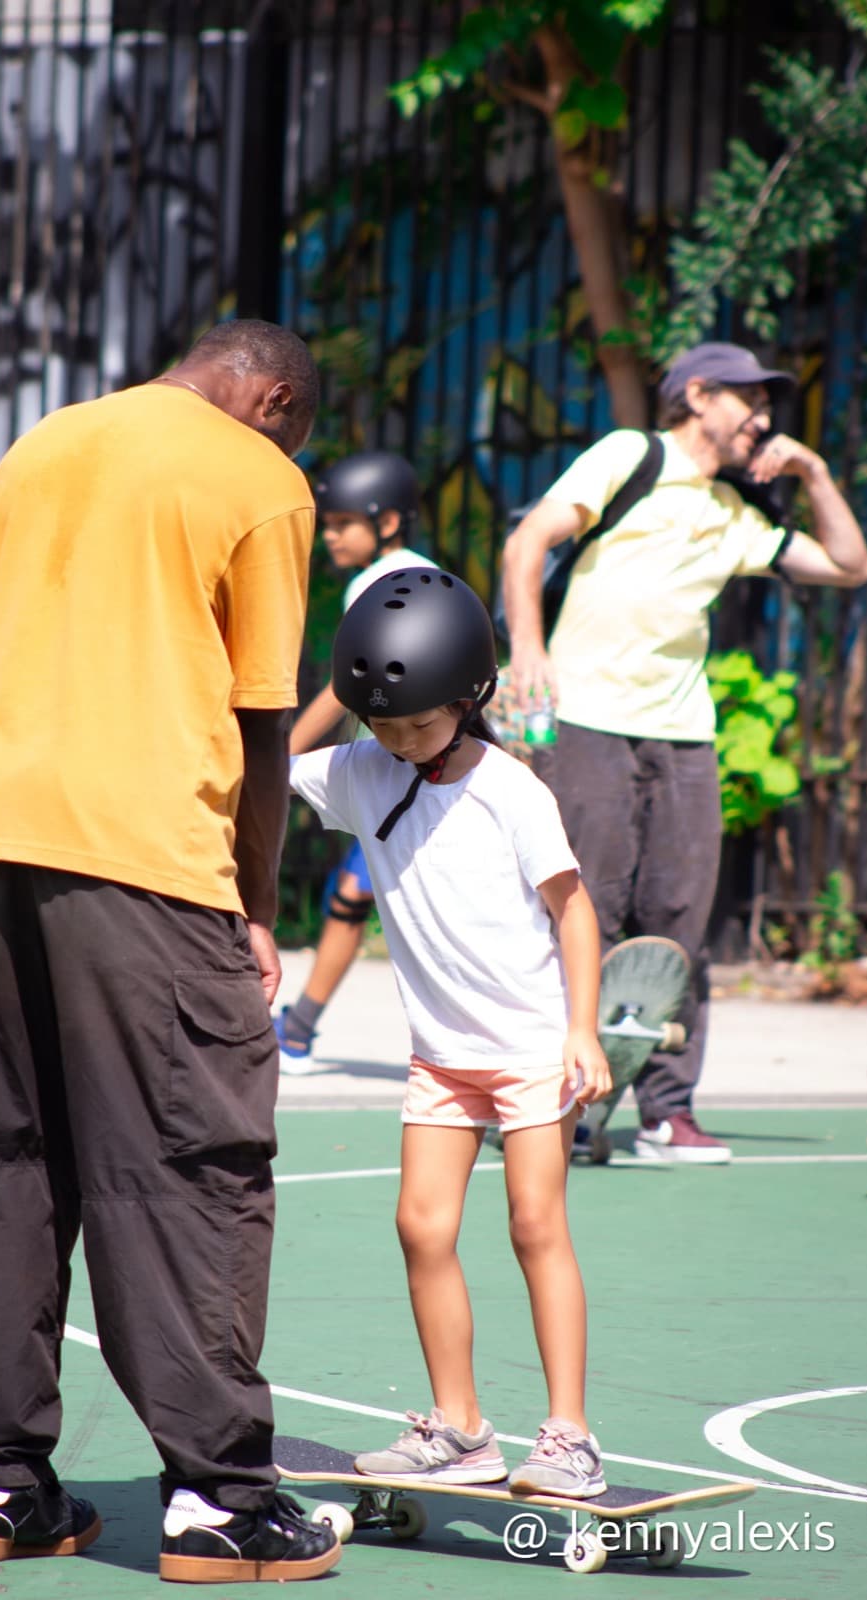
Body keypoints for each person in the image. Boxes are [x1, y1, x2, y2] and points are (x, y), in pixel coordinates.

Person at [0, 319, 340, 1584]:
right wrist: (256, 905)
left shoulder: (41, 446)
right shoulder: (258, 476)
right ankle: (218, 1502)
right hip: (144, 858)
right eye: (292, 425)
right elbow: (262, 718)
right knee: (185, 1167)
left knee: (1, 1161)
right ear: (266, 397)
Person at [500, 341, 867, 1165]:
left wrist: (811, 473)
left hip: (684, 736)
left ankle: (668, 1113)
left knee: (680, 925)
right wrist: (528, 650)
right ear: (698, 394)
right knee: (582, 910)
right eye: (750, 399)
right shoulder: (630, 456)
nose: (765, 417)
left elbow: (852, 566)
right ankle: (555, 1098)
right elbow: (527, 544)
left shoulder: (739, 515)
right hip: (588, 719)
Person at [289, 567, 613, 1496]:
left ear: (471, 695)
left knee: (534, 1226)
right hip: (440, 1059)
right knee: (420, 1228)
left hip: (525, 1052)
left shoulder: (512, 792)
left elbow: (576, 913)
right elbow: (255, 774)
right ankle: (462, 1429)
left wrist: (581, 1031)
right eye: (382, 723)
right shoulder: (359, 770)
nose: (399, 741)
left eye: (419, 724)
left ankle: (569, 1435)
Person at [274, 451, 437, 1073]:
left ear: (388, 521)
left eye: (344, 523)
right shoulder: (405, 574)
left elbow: (348, 684)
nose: (331, 535)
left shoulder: (388, 581)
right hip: (411, 767)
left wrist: (282, 753)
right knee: (352, 892)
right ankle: (297, 1030)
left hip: (425, 769)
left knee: (374, 896)